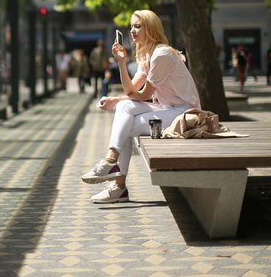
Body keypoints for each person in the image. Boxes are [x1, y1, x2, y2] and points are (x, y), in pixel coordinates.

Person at [81, 10, 201, 203]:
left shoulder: (161, 54)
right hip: (166, 110)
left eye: (138, 26)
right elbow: (131, 91)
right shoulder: (146, 55)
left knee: (125, 123)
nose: (133, 31)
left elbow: (143, 94)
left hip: (183, 115)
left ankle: (117, 182)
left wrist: (119, 100)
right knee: (125, 109)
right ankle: (111, 165)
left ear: (151, 28)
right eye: (131, 27)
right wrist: (121, 63)